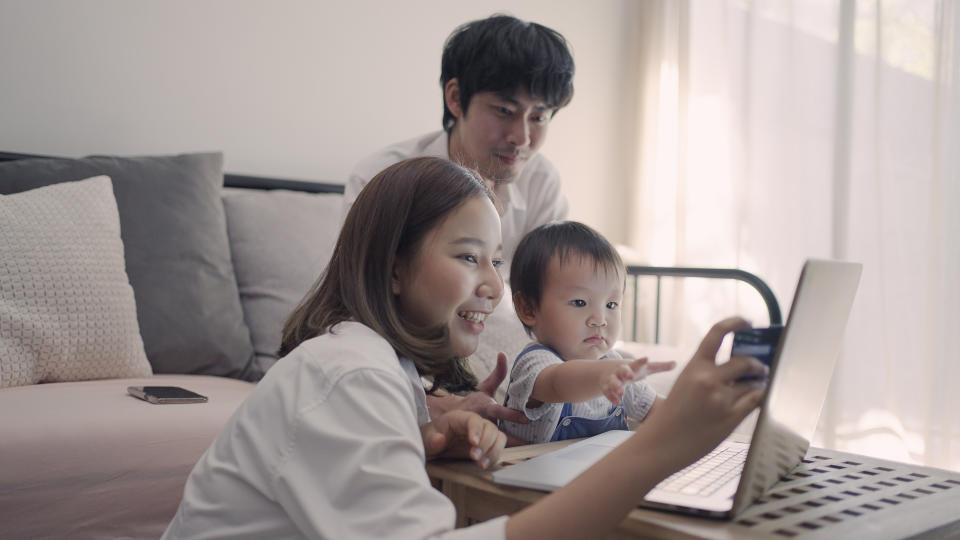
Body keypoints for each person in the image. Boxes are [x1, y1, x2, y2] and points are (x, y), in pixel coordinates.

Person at [163, 157, 768, 539]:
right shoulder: (346, 376)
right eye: (468, 256)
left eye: (496, 260)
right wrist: (658, 453)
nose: (495, 285)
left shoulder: (374, 368)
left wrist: (422, 427)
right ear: (394, 268)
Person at [343, 14, 576, 420]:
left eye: (539, 117)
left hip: (490, 336)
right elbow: (364, 306)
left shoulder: (540, 181)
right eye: (505, 111)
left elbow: (555, 300)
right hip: (411, 344)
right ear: (456, 98)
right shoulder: (385, 178)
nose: (522, 138)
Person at [500, 221, 675, 444]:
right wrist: (605, 375)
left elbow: (658, 411)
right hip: (529, 475)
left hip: (602, 474)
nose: (600, 320)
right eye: (580, 302)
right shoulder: (536, 363)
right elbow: (559, 382)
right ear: (529, 308)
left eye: (611, 305)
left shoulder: (613, 365)